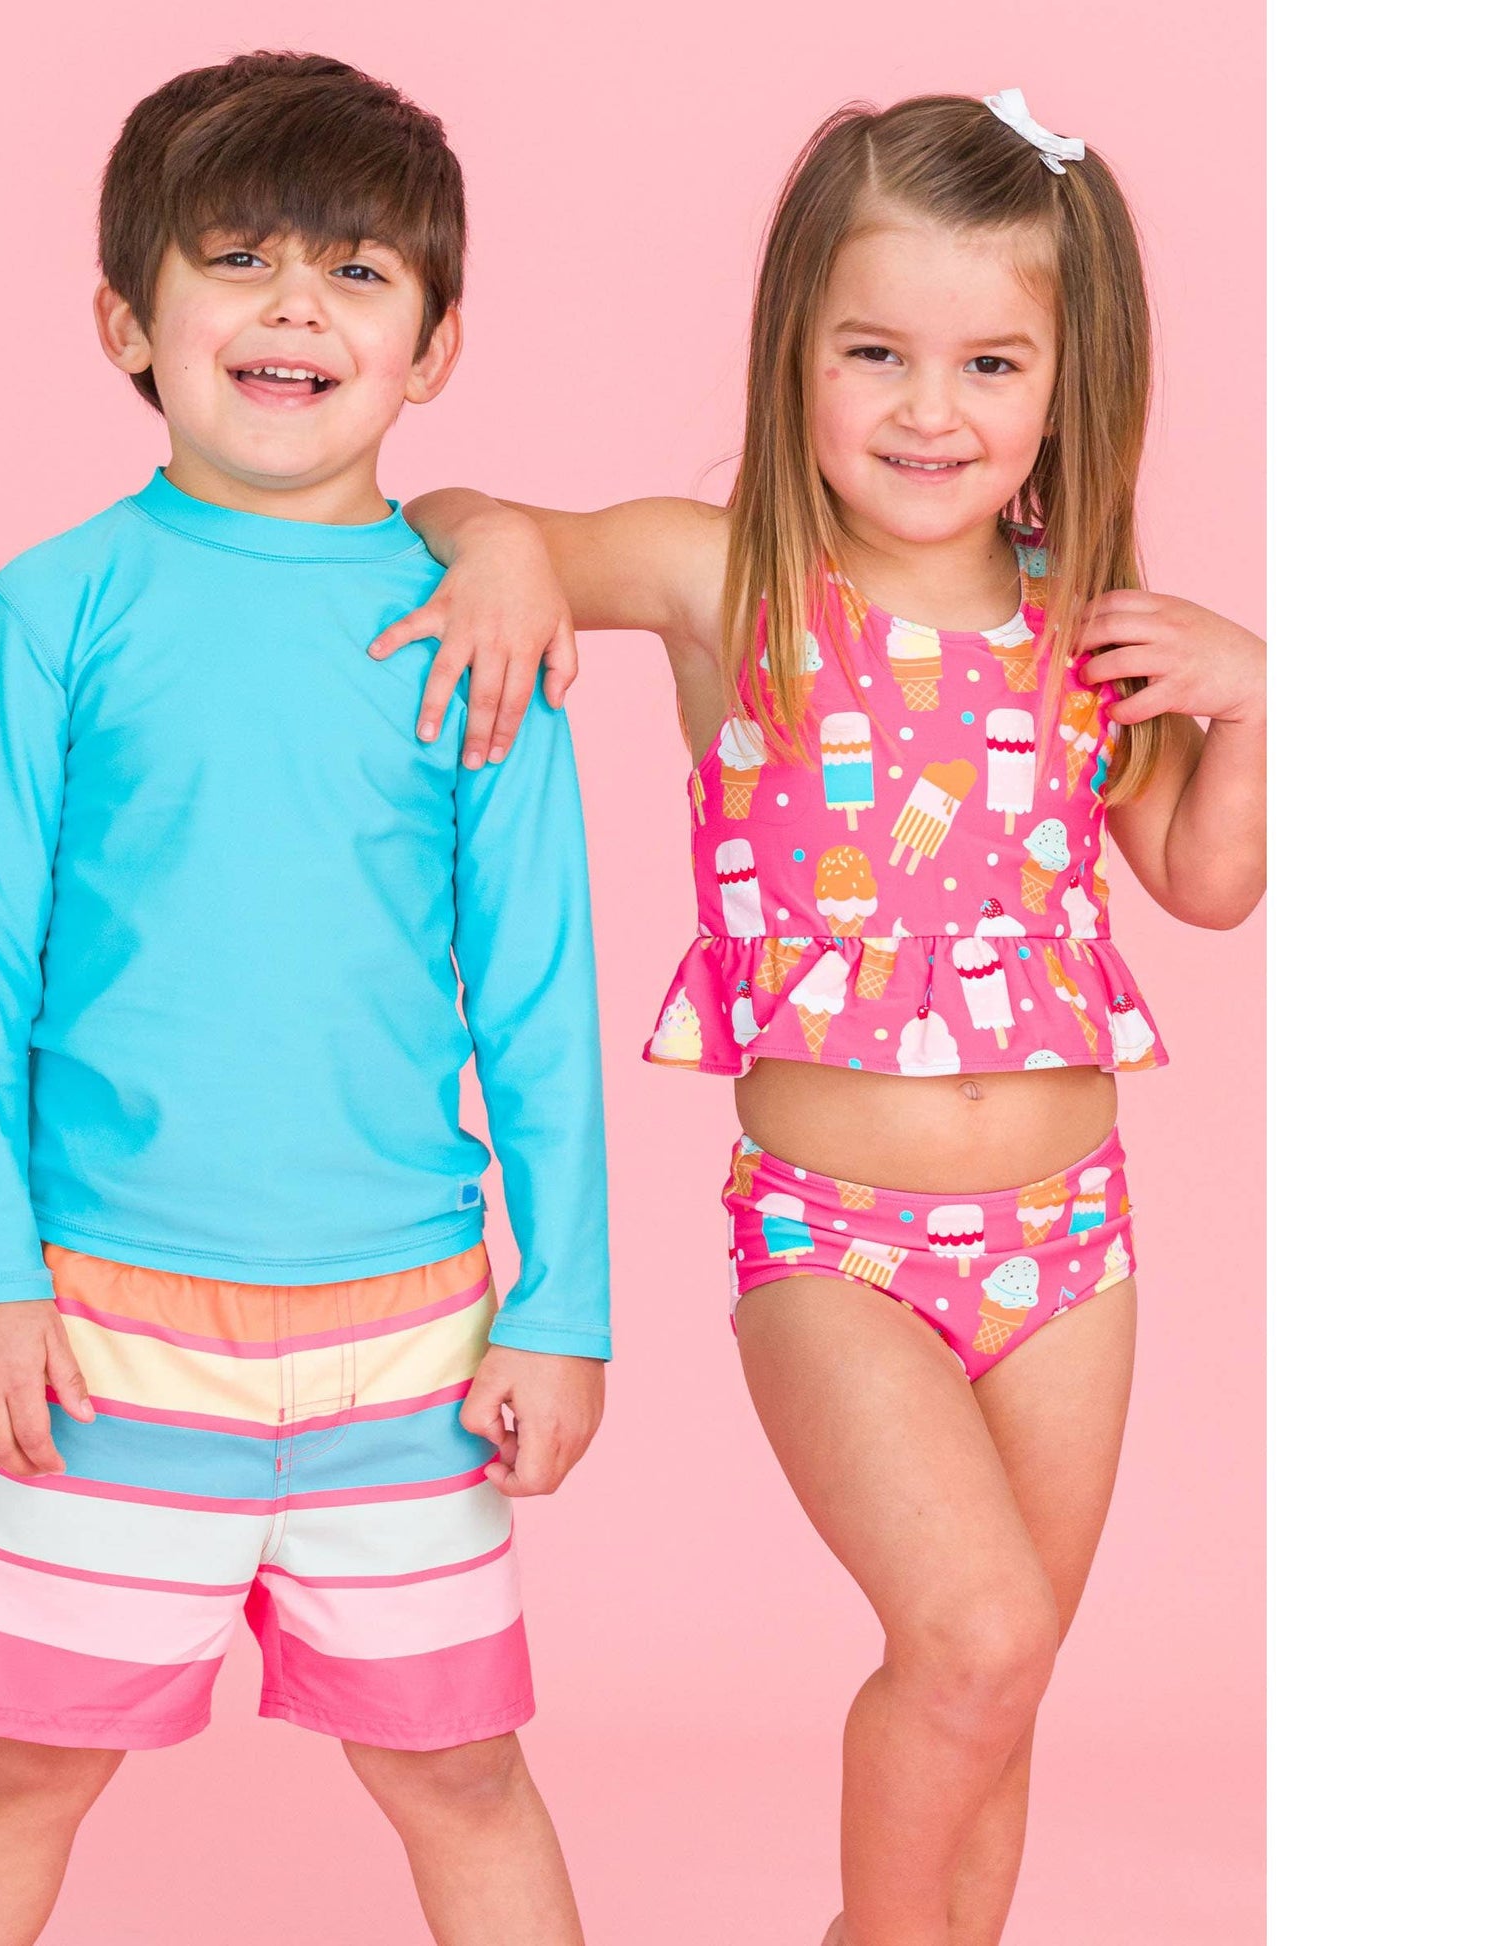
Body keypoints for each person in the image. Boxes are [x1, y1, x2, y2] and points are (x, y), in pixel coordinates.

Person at [377, 89, 1265, 1946]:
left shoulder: (1084, 628)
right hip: (831, 1241)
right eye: (876, 352)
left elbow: (1203, 875)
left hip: (1070, 1245)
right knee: (976, 1632)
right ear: (795, 346)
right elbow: (453, 514)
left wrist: (1256, 702)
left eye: (988, 362)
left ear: (1065, 382)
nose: (929, 409)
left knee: (1000, 1689)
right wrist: (505, 554)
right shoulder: (730, 579)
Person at [0, 53, 608, 1946]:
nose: (297, 304)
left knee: (462, 1773)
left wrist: (565, 1304)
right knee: (16, 1767)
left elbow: (538, 994)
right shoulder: (54, 607)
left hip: (411, 1346)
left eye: (358, 272)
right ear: (129, 322)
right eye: (240, 259)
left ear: (432, 347)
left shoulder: (479, 624)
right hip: (96, 1336)